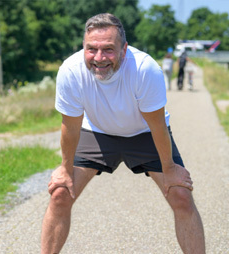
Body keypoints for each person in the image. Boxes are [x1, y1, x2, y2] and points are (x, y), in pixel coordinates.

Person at [41, 13, 205, 254]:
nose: (99, 58)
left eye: (108, 49)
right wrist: (65, 170)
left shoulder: (144, 69)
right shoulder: (70, 70)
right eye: (91, 49)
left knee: (180, 194)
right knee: (60, 193)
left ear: (124, 49)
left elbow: (158, 125)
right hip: (96, 132)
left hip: (144, 133)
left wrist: (170, 170)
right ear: (83, 47)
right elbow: (71, 126)